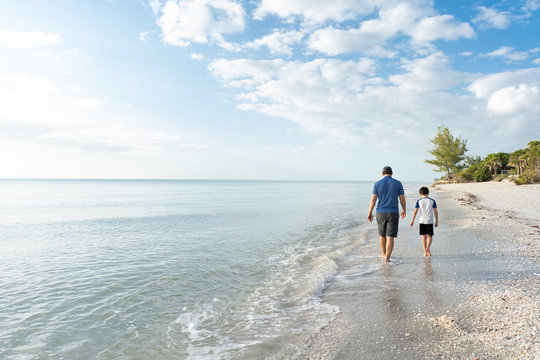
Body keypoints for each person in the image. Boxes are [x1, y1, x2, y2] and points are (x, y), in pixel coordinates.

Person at [367, 166, 406, 263]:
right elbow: (402, 198)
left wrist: (370, 212)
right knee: (390, 236)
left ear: (382, 173)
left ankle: (384, 254)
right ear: (392, 173)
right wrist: (404, 209)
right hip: (393, 212)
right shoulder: (397, 183)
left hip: (380, 212)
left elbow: (373, 199)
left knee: (382, 235)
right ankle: (387, 259)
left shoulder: (377, 184)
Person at [410, 186, 439, 257]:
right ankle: (427, 248)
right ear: (428, 193)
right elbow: (435, 212)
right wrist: (436, 221)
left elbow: (415, 212)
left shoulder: (419, 201)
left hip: (422, 221)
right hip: (429, 221)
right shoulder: (432, 201)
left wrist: (412, 220)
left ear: (420, 194)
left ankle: (424, 251)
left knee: (424, 236)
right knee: (430, 236)